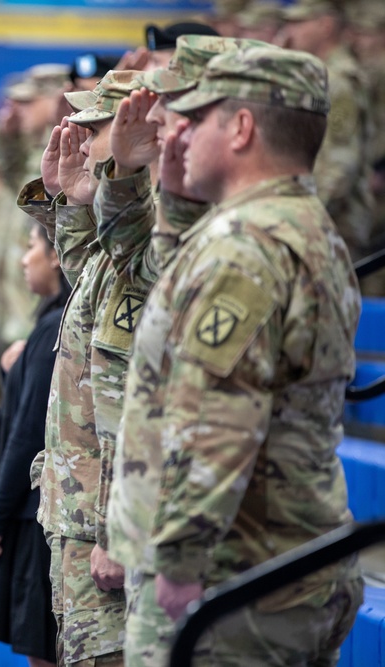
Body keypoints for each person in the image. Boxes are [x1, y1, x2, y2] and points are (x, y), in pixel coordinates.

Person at [110, 46, 364, 666]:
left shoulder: (243, 248)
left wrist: (177, 561)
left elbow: (218, 422)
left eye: (200, 118)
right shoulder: (298, 228)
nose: (180, 132)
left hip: (235, 579)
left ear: (243, 128)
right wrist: (173, 203)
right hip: (278, 563)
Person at [17, 70, 147, 667]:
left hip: (105, 519)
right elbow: (85, 270)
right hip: (76, 508)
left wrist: (117, 533)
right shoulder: (114, 252)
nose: (78, 137)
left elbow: (127, 404)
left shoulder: (150, 251)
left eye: (95, 129)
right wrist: (66, 201)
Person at [0, 221, 70, 667]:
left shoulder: (54, 326)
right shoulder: (50, 322)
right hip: (40, 513)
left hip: (36, 518)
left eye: (32, 247)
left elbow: (27, 435)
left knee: (45, 653)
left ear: (58, 255)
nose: (25, 259)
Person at [278, 0, 375, 264]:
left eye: (299, 22)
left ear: (326, 25)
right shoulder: (315, 74)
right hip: (315, 221)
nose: (290, 31)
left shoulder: (338, 80)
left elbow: (340, 165)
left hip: (332, 224)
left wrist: (299, 220)